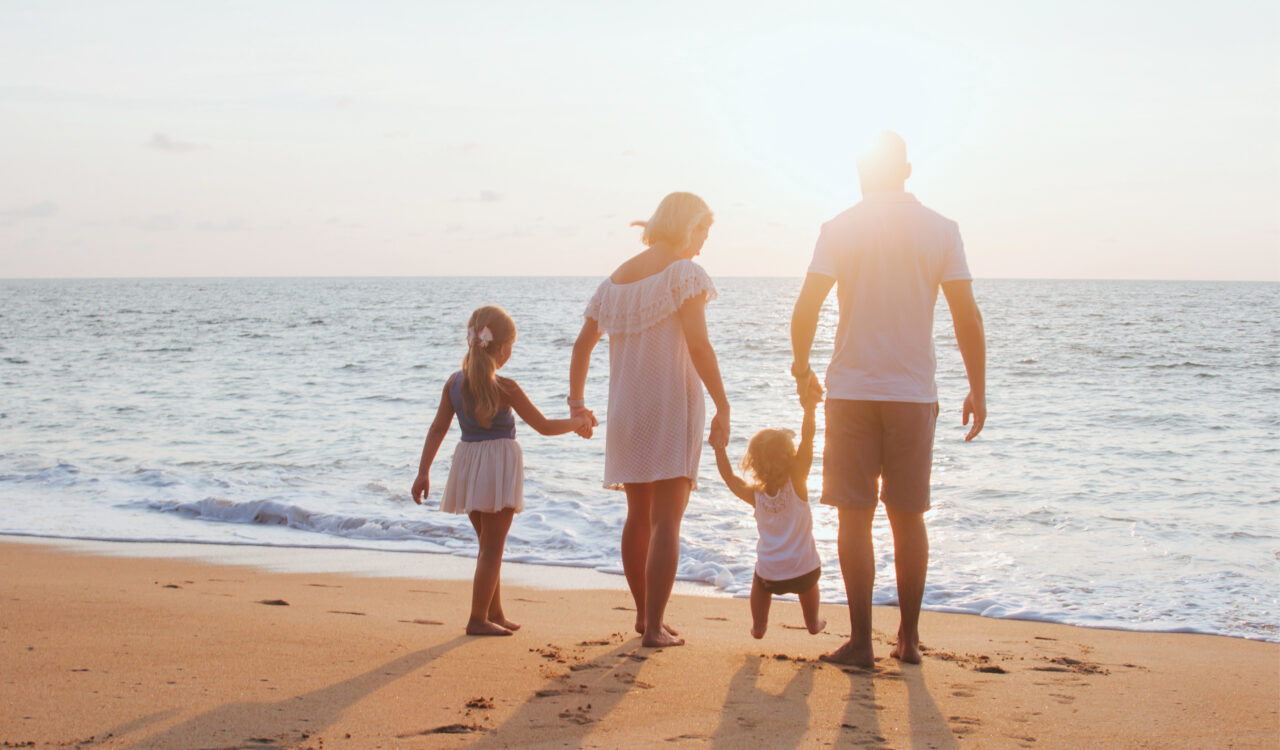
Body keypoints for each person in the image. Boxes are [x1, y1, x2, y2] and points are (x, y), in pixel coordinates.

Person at [790, 131, 987, 667]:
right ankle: (908, 640)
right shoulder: (942, 230)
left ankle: (859, 643)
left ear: (861, 172)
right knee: (908, 516)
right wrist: (978, 388)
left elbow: (807, 306)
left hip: (851, 392)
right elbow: (966, 316)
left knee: (854, 517)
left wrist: (801, 367)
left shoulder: (839, 228)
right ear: (905, 169)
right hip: (911, 394)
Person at [569, 191, 731, 648]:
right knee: (667, 521)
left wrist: (577, 404)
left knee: (637, 516)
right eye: (703, 231)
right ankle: (656, 628)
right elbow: (698, 346)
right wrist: (723, 403)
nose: (703, 242)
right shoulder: (684, 274)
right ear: (687, 226)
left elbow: (582, 345)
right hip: (670, 404)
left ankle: (644, 617)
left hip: (627, 409)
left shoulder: (615, 281)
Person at [411, 305, 592, 637]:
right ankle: (477, 619)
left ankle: (494, 611)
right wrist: (578, 421)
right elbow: (544, 426)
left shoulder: (454, 383)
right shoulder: (505, 386)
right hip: (496, 467)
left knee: (486, 546)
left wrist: (423, 472)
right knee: (493, 549)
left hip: (467, 463)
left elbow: (437, 428)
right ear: (504, 348)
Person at [712, 396, 826, 640]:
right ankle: (813, 622)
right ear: (790, 455)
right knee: (808, 584)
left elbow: (730, 478)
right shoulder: (798, 482)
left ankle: (759, 626)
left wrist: (718, 448)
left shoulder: (757, 496)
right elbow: (808, 440)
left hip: (770, 575)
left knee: (759, 583)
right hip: (804, 571)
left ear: (755, 462)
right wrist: (810, 409)